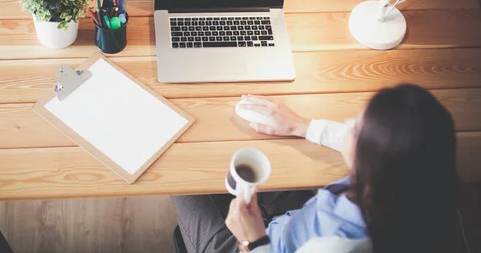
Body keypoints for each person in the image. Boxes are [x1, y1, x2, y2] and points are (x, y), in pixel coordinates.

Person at [172, 84, 457, 253]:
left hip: (262, 245)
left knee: (178, 173)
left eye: (356, 128)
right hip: (290, 222)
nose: (346, 125)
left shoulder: (338, 247)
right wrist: (301, 125)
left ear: (370, 160)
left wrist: (253, 239)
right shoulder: (404, 189)